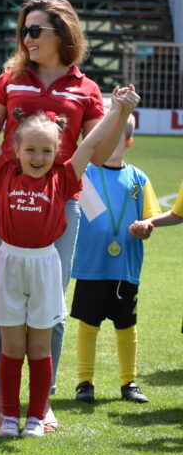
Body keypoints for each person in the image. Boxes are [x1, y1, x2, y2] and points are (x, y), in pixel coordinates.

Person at [0, 65, 138, 438]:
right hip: (9, 265)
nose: (38, 157)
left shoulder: (64, 178)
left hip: (45, 267)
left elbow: (89, 145)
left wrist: (118, 110)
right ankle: (8, 415)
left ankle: (36, 415)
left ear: (57, 153)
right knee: (11, 345)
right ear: (16, 150)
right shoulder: (3, 174)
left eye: (47, 151)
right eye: (31, 150)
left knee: (39, 345)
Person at [0, 0, 120, 431]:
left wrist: (121, 111)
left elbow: (99, 152)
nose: (27, 38)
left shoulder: (86, 88)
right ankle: (0, 398)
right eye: (24, 31)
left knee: (51, 301)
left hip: (61, 200)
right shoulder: (10, 79)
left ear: (62, 33)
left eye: (36, 30)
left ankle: (42, 401)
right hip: (8, 197)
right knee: (3, 297)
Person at [71, 115, 160, 405]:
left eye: (115, 138)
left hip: (125, 267)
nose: (107, 143)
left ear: (128, 142)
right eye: (103, 136)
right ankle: (85, 383)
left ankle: (129, 382)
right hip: (91, 266)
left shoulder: (138, 179)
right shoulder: (85, 175)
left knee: (126, 325)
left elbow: (150, 219)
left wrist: (145, 228)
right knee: (88, 325)